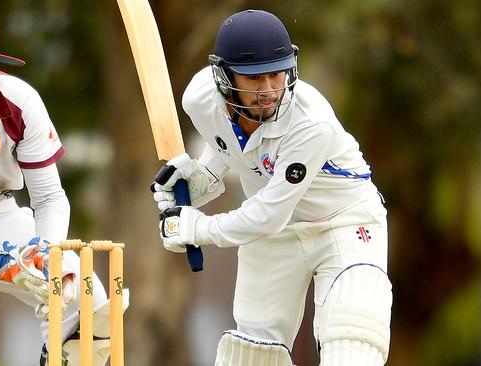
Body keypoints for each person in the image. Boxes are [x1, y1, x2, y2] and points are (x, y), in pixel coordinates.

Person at [152, 9, 393, 365]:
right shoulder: (198, 99)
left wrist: (199, 227)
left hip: (343, 224)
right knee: (251, 356)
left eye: (277, 74)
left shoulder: (311, 124)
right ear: (223, 76)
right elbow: (227, 144)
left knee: (352, 346)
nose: (269, 91)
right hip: (275, 234)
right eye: (254, 79)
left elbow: (267, 215)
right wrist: (206, 175)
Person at [0, 15, 115, 366]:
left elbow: (48, 197)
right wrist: (0, 265)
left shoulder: (18, 100)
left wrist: (45, 253)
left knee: (86, 296)